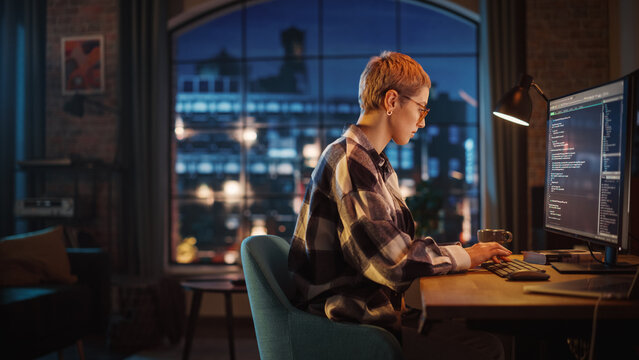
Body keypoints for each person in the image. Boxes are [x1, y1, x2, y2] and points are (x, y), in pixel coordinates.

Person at [288, 51, 510, 359]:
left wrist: (466, 255)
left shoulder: (372, 162)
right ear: (392, 101)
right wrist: (465, 256)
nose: (421, 121)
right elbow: (393, 262)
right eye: (420, 108)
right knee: (487, 348)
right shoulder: (352, 161)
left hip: (367, 312)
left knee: (486, 341)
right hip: (349, 323)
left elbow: (394, 245)